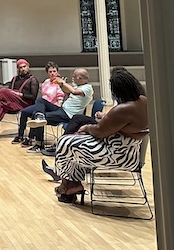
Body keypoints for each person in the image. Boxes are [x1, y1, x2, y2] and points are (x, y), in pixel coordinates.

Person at [42, 68, 149, 203]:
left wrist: (86, 128)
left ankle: (68, 184)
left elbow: (99, 131)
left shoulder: (124, 108)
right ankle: (70, 184)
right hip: (130, 152)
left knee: (65, 143)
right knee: (73, 144)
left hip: (117, 155)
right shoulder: (143, 101)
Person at [24, 68, 94, 153]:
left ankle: (39, 144)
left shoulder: (88, 88)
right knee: (40, 101)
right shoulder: (78, 86)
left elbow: (74, 92)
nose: (72, 78)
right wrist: (61, 85)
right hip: (62, 109)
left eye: (74, 76)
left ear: (79, 78)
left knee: (37, 116)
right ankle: (40, 116)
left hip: (68, 114)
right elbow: (67, 92)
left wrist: (63, 83)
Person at [13, 61, 65, 145]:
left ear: (57, 72)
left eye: (54, 71)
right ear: (47, 73)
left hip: (53, 106)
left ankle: (31, 138)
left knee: (36, 113)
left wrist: (58, 106)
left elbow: (60, 97)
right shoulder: (46, 82)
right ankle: (20, 136)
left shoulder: (60, 83)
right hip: (42, 105)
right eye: (50, 72)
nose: (52, 73)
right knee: (24, 112)